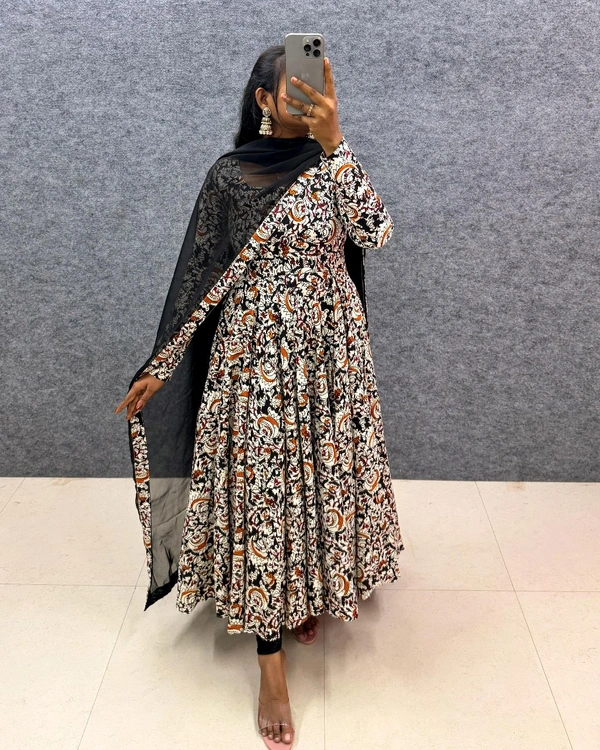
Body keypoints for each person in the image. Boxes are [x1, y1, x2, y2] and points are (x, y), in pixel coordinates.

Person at [115, 43, 404, 748]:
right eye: (293, 89)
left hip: (331, 362)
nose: (307, 99)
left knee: (320, 480)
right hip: (256, 363)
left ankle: (307, 589)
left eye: (317, 86)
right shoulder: (231, 176)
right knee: (265, 495)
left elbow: (376, 232)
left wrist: (338, 144)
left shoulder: (332, 164)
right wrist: (162, 363)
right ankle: (270, 666)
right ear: (264, 101)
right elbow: (200, 278)